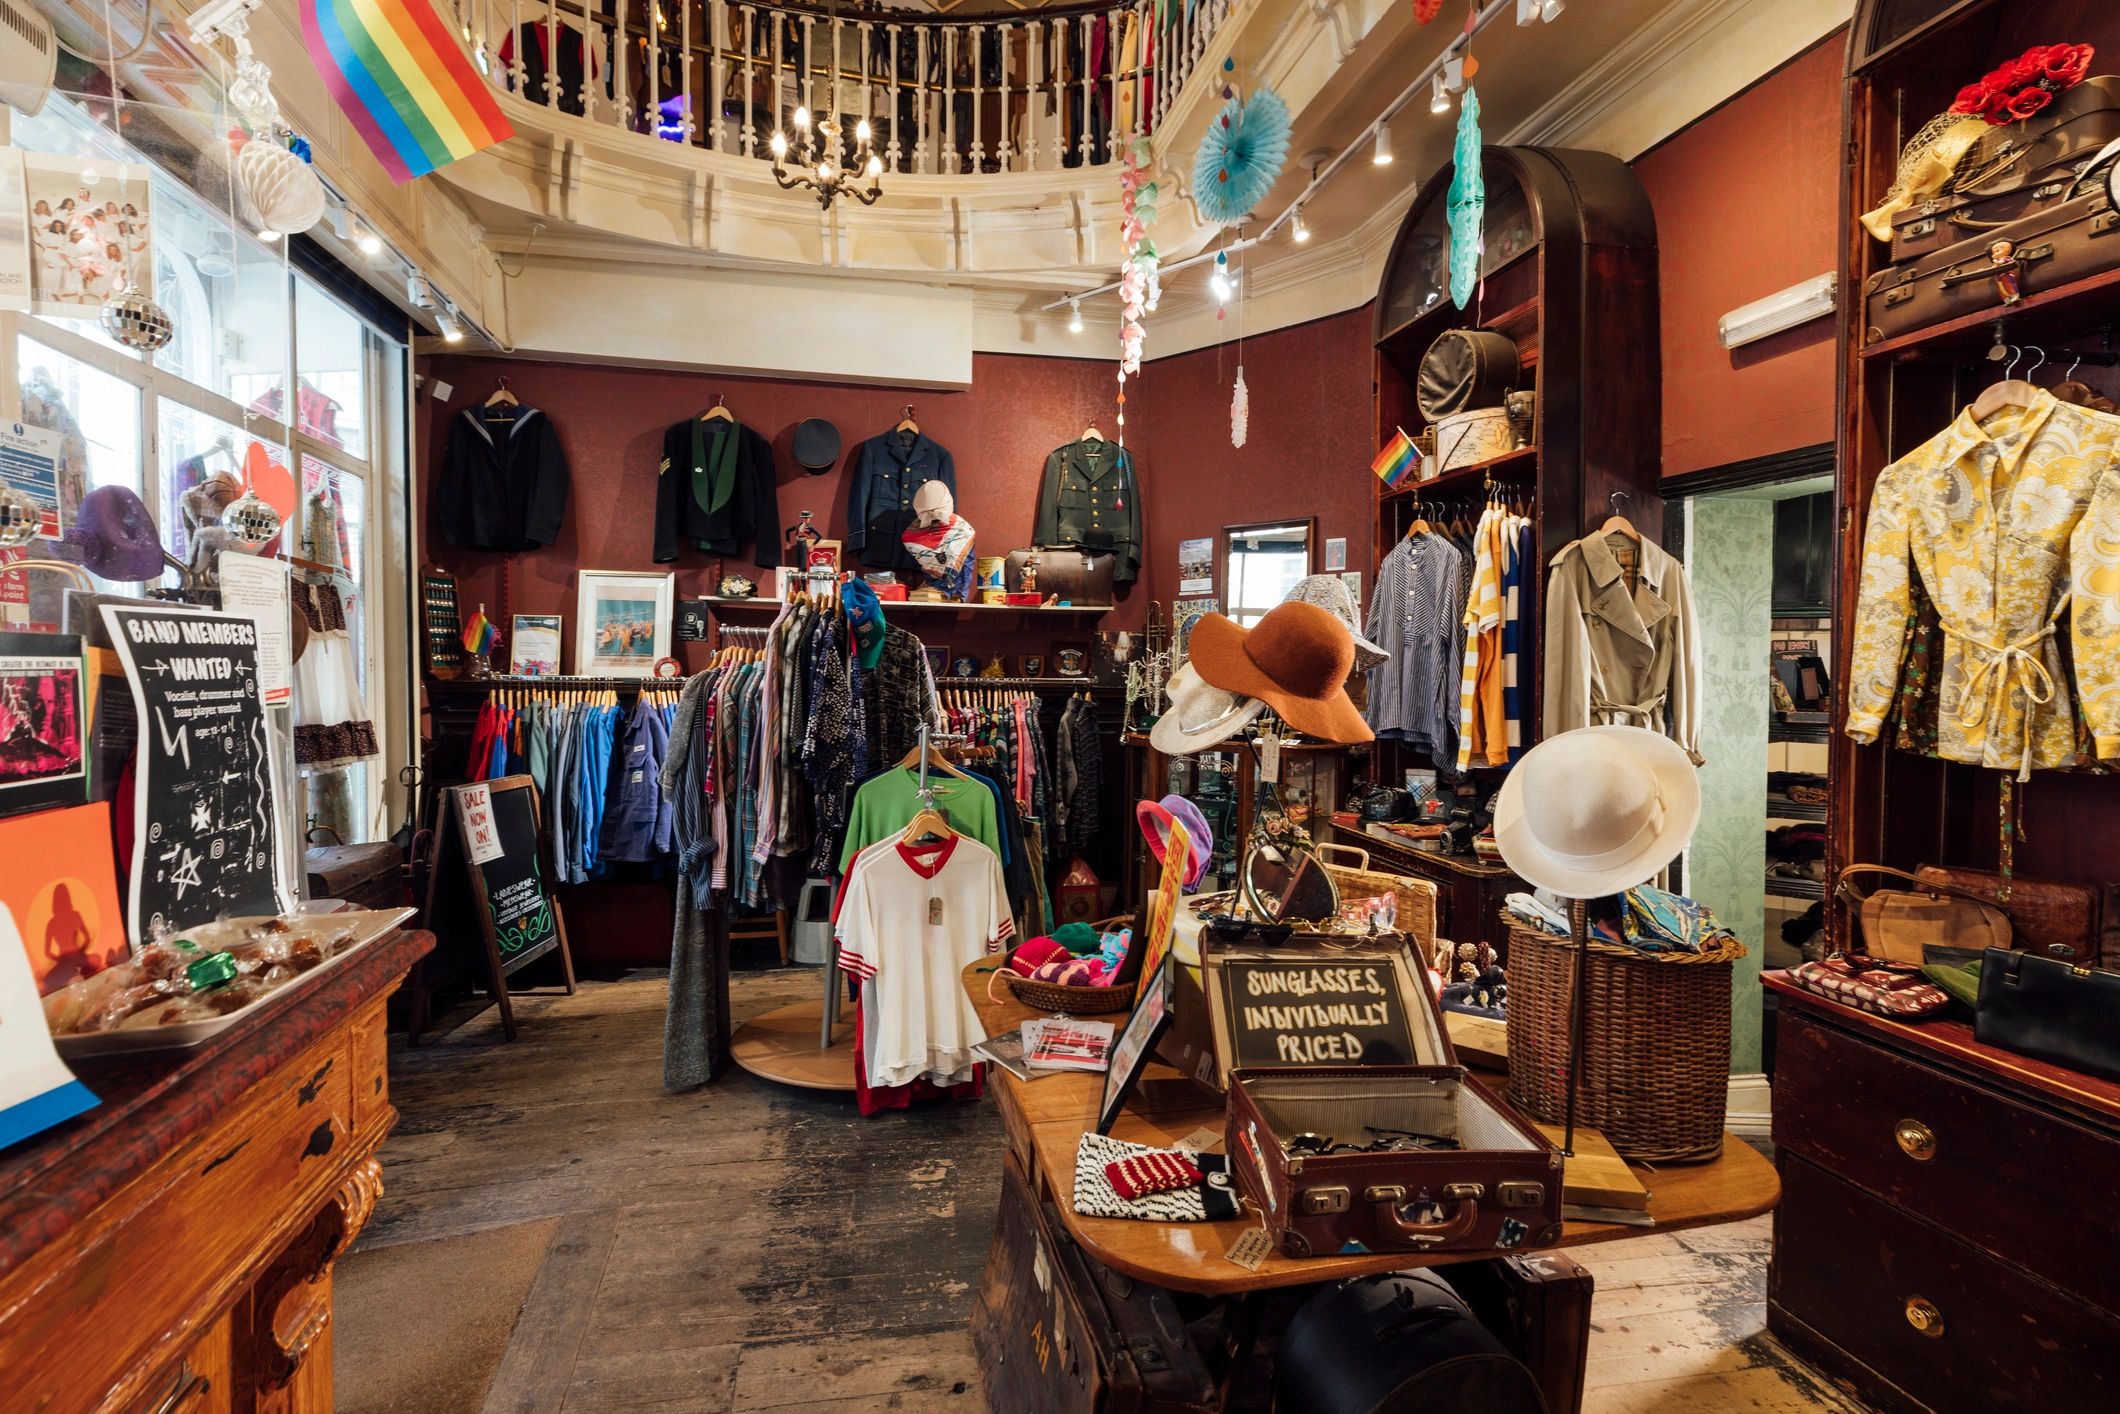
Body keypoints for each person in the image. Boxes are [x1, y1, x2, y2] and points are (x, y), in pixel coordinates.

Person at [40, 882, 95, 991]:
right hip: (74, 959)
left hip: (67, 962)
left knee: (47, 981)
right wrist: (79, 953)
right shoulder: (74, 915)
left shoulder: (52, 922)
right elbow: (87, 940)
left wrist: (61, 960)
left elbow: (47, 952)